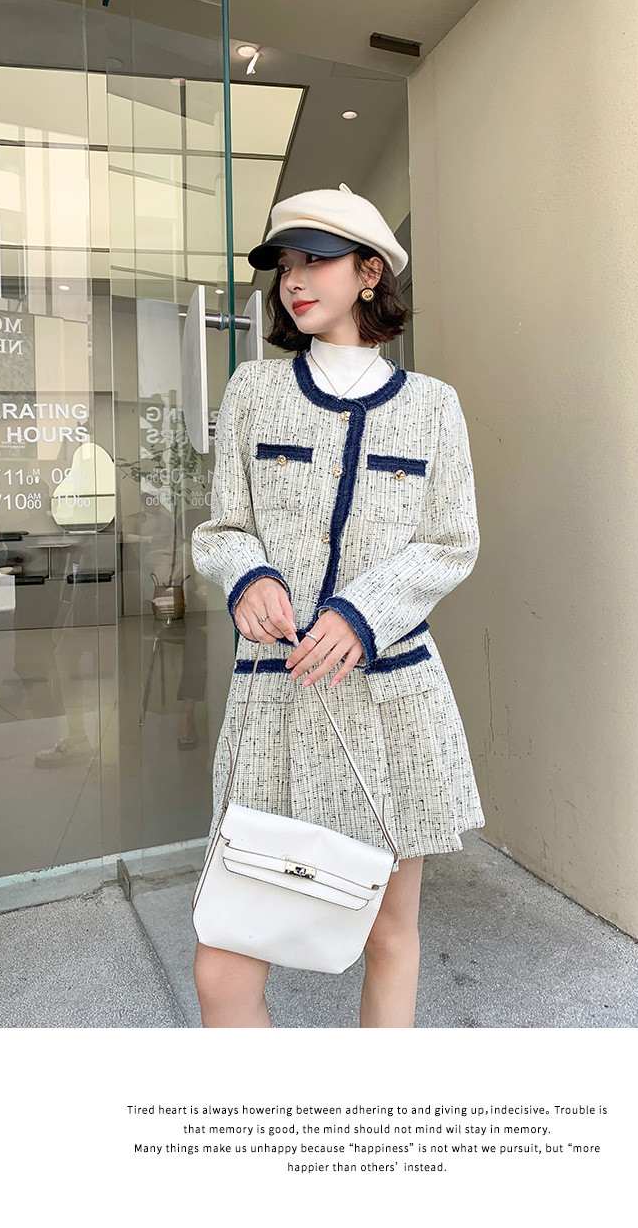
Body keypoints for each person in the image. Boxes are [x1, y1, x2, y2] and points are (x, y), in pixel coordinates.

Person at [190, 184, 484, 1028]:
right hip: (275, 701)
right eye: (285, 262)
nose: (294, 279)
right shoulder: (253, 391)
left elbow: (450, 541)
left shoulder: (433, 407)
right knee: (223, 957)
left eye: (315, 260)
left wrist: (361, 612)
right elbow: (224, 526)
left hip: (392, 706)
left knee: (389, 931)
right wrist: (248, 574)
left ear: (369, 272)